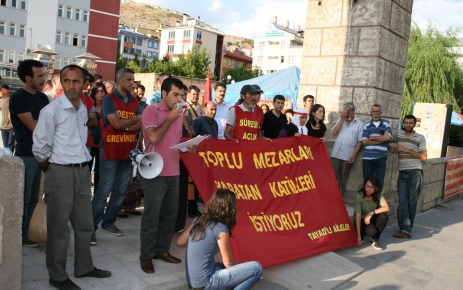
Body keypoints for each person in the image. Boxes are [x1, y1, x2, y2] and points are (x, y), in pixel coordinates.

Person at [32, 64, 111, 290]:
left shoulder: (82, 109)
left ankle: (84, 267)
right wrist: (54, 170)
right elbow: (40, 149)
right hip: (61, 172)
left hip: (81, 171)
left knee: (85, 224)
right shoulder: (51, 111)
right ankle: (57, 276)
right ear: (61, 82)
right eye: (66, 81)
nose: (71, 86)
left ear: (84, 83)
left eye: (76, 81)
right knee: (59, 228)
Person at [139, 77, 198, 274]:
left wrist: (186, 146)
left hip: (174, 170)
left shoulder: (179, 113)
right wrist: (171, 118)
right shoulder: (151, 111)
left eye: (182, 95)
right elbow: (154, 137)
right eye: (175, 95)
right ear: (164, 93)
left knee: (170, 216)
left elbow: (174, 139)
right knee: (151, 216)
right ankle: (146, 256)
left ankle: (162, 250)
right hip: (154, 171)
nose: (180, 99)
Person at [91, 68, 142, 245]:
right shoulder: (108, 99)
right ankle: (91, 229)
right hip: (110, 152)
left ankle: (109, 222)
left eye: (133, 79)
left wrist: (124, 125)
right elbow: (115, 123)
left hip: (127, 153)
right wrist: (130, 122)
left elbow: (140, 124)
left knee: (120, 192)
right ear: (119, 81)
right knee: (103, 191)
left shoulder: (135, 101)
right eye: (128, 79)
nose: (132, 83)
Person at [177, 189, 263, 290]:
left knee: (219, 266)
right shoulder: (221, 228)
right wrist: (237, 275)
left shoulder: (198, 221)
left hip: (192, 282)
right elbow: (228, 262)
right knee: (257, 268)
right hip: (206, 283)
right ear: (229, 208)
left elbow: (180, 241)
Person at [9, 59, 49, 247]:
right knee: (25, 198)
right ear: (27, 78)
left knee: (36, 197)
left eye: (44, 74)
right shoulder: (18, 98)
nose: (44, 79)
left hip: (43, 153)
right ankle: (21, 234)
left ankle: (32, 231)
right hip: (27, 154)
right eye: (40, 75)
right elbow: (33, 125)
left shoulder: (42, 97)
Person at [389, 115, 427, 239]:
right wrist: (392, 148)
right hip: (402, 172)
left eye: (411, 123)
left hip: (415, 172)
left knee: (412, 202)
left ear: (414, 124)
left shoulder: (420, 138)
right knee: (402, 201)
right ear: (403, 123)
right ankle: (405, 228)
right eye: (406, 123)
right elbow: (388, 141)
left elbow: (424, 157)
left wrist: (406, 150)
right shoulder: (398, 135)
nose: (408, 125)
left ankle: (407, 229)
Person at [331, 102, 364, 196]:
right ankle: (330, 196)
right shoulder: (340, 120)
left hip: (348, 155)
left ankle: (339, 198)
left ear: (353, 111)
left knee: (343, 177)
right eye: (345, 111)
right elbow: (334, 132)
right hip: (336, 154)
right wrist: (342, 119)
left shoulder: (359, 124)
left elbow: (360, 141)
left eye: (348, 111)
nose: (346, 113)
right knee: (333, 176)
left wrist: (354, 155)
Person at [354, 176, 390, 250]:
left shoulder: (378, 195)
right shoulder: (359, 196)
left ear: (376, 188)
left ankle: (375, 239)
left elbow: (386, 208)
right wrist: (358, 236)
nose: (368, 189)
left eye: (371, 187)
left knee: (384, 216)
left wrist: (371, 213)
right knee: (372, 231)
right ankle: (361, 233)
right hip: (361, 219)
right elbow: (358, 216)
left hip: (371, 217)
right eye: (367, 186)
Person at [362, 104, 392, 186]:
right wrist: (382, 138)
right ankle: (368, 199)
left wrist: (371, 138)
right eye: (374, 111)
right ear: (370, 112)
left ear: (381, 112)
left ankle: (377, 199)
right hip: (367, 158)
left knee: (379, 183)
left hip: (381, 158)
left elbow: (388, 138)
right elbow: (364, 142)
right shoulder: (367, 125)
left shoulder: (386, 123)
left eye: (377, 111)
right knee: (367, 182)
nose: (375, 113)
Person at [88, 82, 106, 194]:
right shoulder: (90, 106)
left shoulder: (107, 106)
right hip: (90, 142)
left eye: (102, 91)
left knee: (100, 171)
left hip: (103, 143)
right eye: (97, 91)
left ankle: (98, 196)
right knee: (87, 170)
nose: (100, 94)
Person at [0, 84, 15, 152]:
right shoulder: (1, 100)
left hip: (12, 126)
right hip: (3, 127)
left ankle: (11, 161)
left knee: (10, 146)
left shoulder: (13, 99)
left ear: (4, 90)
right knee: (5, 147)